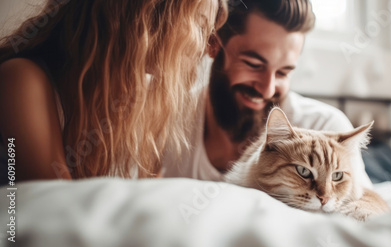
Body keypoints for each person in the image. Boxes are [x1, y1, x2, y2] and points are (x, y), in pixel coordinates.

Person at [0, 0, 228, 183]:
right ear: (150, 12)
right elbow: (61, 215)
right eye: (200, 25)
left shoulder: (141, 104)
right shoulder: (22, 80)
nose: (206, 49)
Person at [163, 0, 373, 189]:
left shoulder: (326, 127)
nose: (268, 89)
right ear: (214, 45)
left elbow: (363, 207)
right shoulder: (165, 119)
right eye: (254, 65)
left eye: (283, 72)